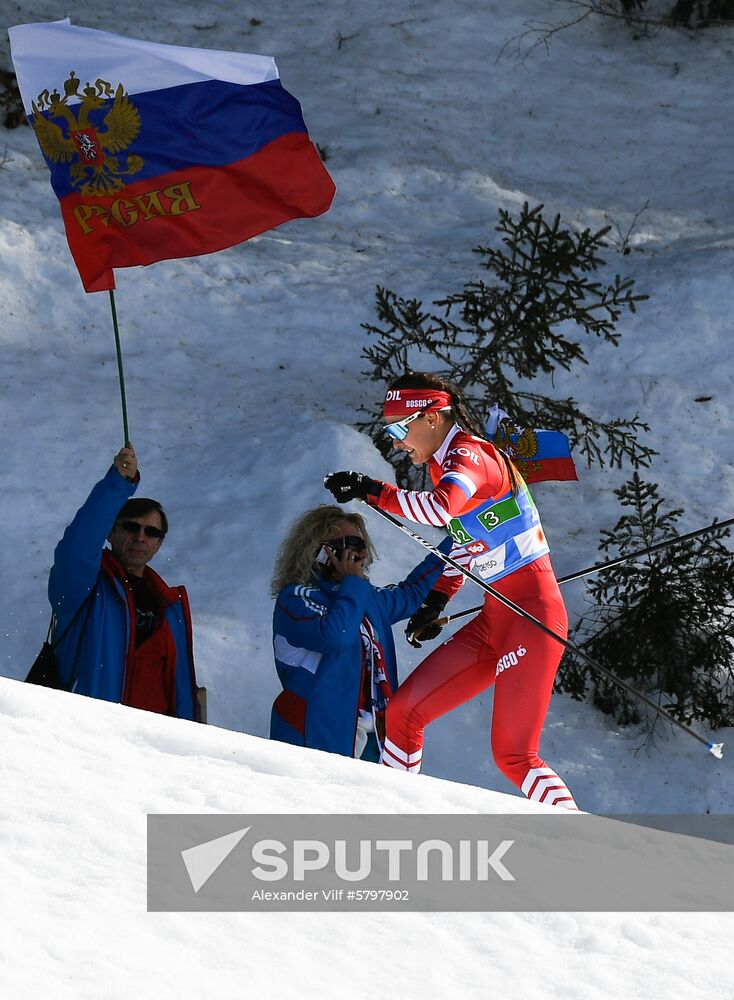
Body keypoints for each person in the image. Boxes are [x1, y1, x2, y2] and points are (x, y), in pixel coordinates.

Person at [325, 372, 578, 808]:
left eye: (398, 429)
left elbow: (442, 509)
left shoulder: (469, 453)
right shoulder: (448, 461)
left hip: (532, 618)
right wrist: (437, 600)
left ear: (433, 416)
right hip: (495, 620)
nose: (396, 443)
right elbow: (466, 541)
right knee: (403, 714)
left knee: (514, 755)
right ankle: (395, 816)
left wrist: (372, 490)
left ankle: (587, 844)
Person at [270, 504, 452, 760]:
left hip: (370, 735)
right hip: (312, 732)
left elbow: (410, 594)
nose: (363, 553)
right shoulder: (296, 598)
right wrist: (352, 583)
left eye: (363, 544)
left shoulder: (362, 597)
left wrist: (458, 541)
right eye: (353, 544)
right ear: (323, 550)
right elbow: (336, 635)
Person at [48, 443, 201, 720]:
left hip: (153, 748)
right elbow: (78, 546)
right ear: (111, 532)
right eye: (131, 526)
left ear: (159, 544)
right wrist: (117, 485)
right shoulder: (85, 585)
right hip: (88, 734)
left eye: (151, 532)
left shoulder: (170, 605)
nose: (140, 537)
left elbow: (178, 689)